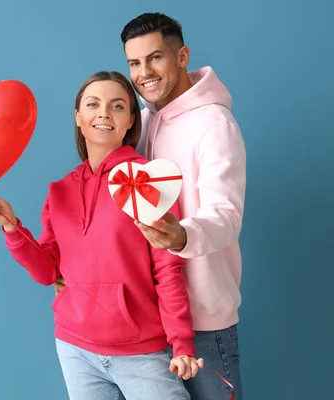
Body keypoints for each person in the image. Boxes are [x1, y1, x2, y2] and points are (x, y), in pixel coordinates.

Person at [0, 71, 204, 400]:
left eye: (118, 106)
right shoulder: (60, 191)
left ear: (130, 122)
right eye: (93, 104)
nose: (104, 113)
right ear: (78, 118)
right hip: (74, 349)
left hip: (142, 353)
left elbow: (168, 269)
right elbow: (48, 271)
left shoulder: (147, 182)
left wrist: (182, 343)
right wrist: (12, 227)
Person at [122, 12, 246, 400]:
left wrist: (181, 235)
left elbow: (225, 215)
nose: (144, 73)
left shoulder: (215, 125)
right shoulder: (139, 124)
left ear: (182, 56)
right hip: (149, 319)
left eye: (155, 58)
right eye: (134, 63)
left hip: (205, 322)